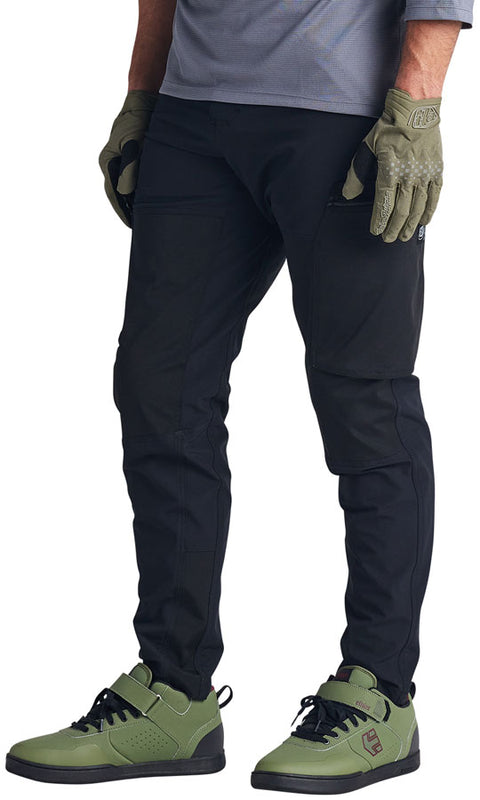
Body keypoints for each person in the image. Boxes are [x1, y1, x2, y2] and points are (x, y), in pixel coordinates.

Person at [5, 0, 474, 792]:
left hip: (345, 112)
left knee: (364, 400)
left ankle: (380, 694)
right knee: (160, 387)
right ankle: (173, 690)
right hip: (193, 114)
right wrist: (143, 93)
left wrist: (417, 102)